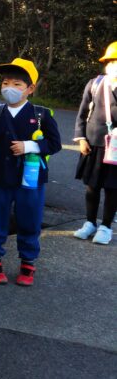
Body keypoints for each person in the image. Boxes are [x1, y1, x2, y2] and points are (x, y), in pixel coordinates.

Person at [0, 58, 61, 286]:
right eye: (5, 83)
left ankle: (28, 263)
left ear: (30, 88)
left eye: (17, 84)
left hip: (31, 181)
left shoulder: (41, 115)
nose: (9, 88)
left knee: (30, 221)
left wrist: (30, 146)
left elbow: (55, 144)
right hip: (0, 179)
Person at [72, 41, 117, 245]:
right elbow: (82, 114)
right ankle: (89, 223)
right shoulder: (95, 83)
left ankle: (106, 226)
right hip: (92, 144)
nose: (114, 65)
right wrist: (81, 138)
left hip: (115, 148)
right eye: (111, 61)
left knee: (112, 189)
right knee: (92, 187)